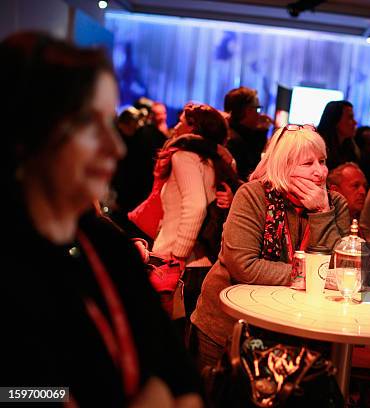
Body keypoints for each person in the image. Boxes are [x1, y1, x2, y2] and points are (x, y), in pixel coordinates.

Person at [1, 32, 201, 407]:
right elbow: (13, 393)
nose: (116, 147)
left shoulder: (105, 244)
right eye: (88, 123)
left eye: (109, 122)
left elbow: (179, 371)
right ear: (28, 130)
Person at [189, 124, 351, 370]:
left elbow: (339, 271)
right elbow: (244, 266)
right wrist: (309, 276)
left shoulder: (334, 203)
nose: (320, 172)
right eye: (308, 164)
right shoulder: (253, 195)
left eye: (322, 161)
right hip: (229, 326)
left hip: (299, 333)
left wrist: (321, 213)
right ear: (283, 166)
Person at [152, 103, 239, 324]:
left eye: (182, 121)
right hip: (201, 263)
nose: (177, 125)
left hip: (177, 263)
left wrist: (178, 255)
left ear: (193, 128)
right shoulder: (217, 160)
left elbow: (196, 205)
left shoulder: (185, 157)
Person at [224, 86, 273, 180]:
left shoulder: (238, 134)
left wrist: (261, 132)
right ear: (248, 111)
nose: (260, 114)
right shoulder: (234, 141)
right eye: (258, 109)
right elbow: (252, 175)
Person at [317, 100, 359, 170]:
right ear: (335, 120)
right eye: (350, 117)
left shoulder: (351, 148)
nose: (355, 122)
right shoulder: (317, 148)